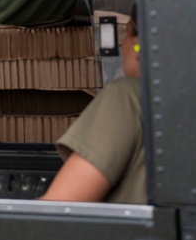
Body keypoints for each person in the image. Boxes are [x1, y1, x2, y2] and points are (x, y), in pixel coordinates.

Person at [40, 14, 144, 204]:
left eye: (126, 33)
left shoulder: (127, 96)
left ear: (137, 44)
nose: (122, 44)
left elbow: (59, 209)